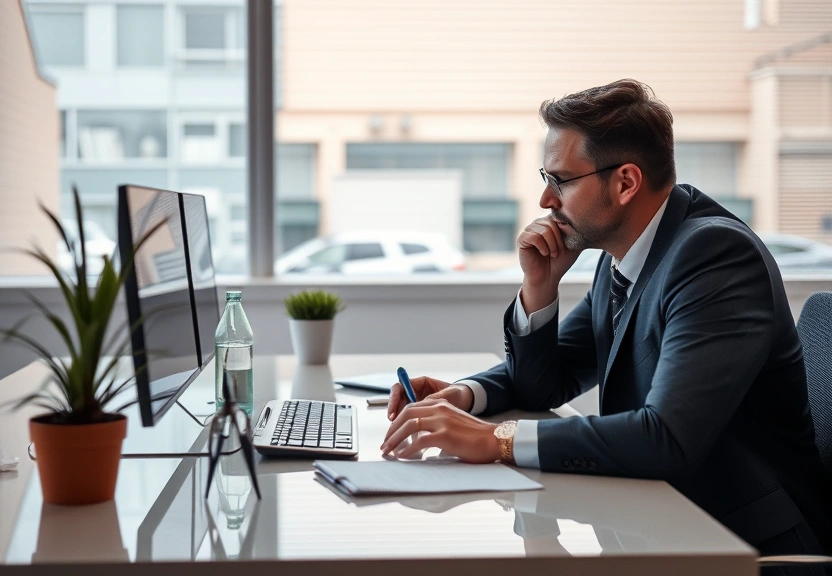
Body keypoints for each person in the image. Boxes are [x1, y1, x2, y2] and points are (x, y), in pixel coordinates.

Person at [381, 79, 831, 564]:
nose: (545, 202)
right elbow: (544, 386)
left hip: (745, 547)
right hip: (661, 525)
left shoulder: (715, 257)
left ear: (625, 183)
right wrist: (530, 303)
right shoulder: (624, 254)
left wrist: (495, 439)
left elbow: (666, 438)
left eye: (560, 180)